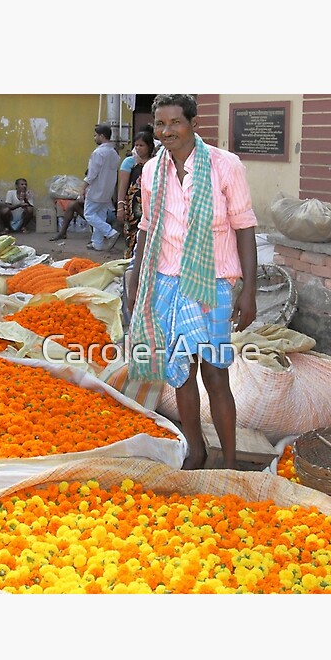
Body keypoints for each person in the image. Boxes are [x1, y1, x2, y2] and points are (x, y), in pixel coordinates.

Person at [127, 94, 258, 471]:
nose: (167, 132)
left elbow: (244, 226)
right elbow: (148, 228)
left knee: (215, 374)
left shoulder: (225, 165)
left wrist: (249, 291)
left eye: (175, 123)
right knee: (180, 373)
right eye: (160, 125)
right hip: (166, 281)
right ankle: (196, 451)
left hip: (212, 283)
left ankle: (230, 462)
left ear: (194, 123)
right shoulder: (152, 170)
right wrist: (137, 278)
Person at [116, 129, 156, 258]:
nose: (138, 148)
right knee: (132, 236)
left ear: (149, 146)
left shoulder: (156, 163)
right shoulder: (129, 162)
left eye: (141, 145)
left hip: (150, 206)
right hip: (132, 207)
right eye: (136, 145)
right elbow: (123, 186)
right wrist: (120, 206)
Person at [83, 123, 121, 252]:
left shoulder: (98, 153)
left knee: (89, 214)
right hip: (107, 190)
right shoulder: (114, 153)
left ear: (102, 136)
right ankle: (97, 243)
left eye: (96, 135)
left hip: (96, 190)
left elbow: (91, 174)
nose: (94, 138)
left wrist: (83, 187)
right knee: (100, 215)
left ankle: (110, 232)